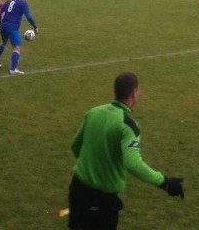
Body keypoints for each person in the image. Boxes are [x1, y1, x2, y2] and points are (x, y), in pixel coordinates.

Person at [68, 71, 184, 230]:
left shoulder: (93, 112)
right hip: (101, 200)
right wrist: (164, 182)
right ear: (134, 93)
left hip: (77, 189)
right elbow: (133, 163)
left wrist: (91, 167)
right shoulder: (128, 125)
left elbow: (75, 145)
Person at [0, 0, 38, 75]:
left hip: (4, 26)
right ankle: (13, 69)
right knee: (17, 47)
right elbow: (28, 16)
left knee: (4, 42)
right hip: (12, 27)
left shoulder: (9, 0)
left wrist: (0, 25)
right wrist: (35, 27)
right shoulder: (22, 3)